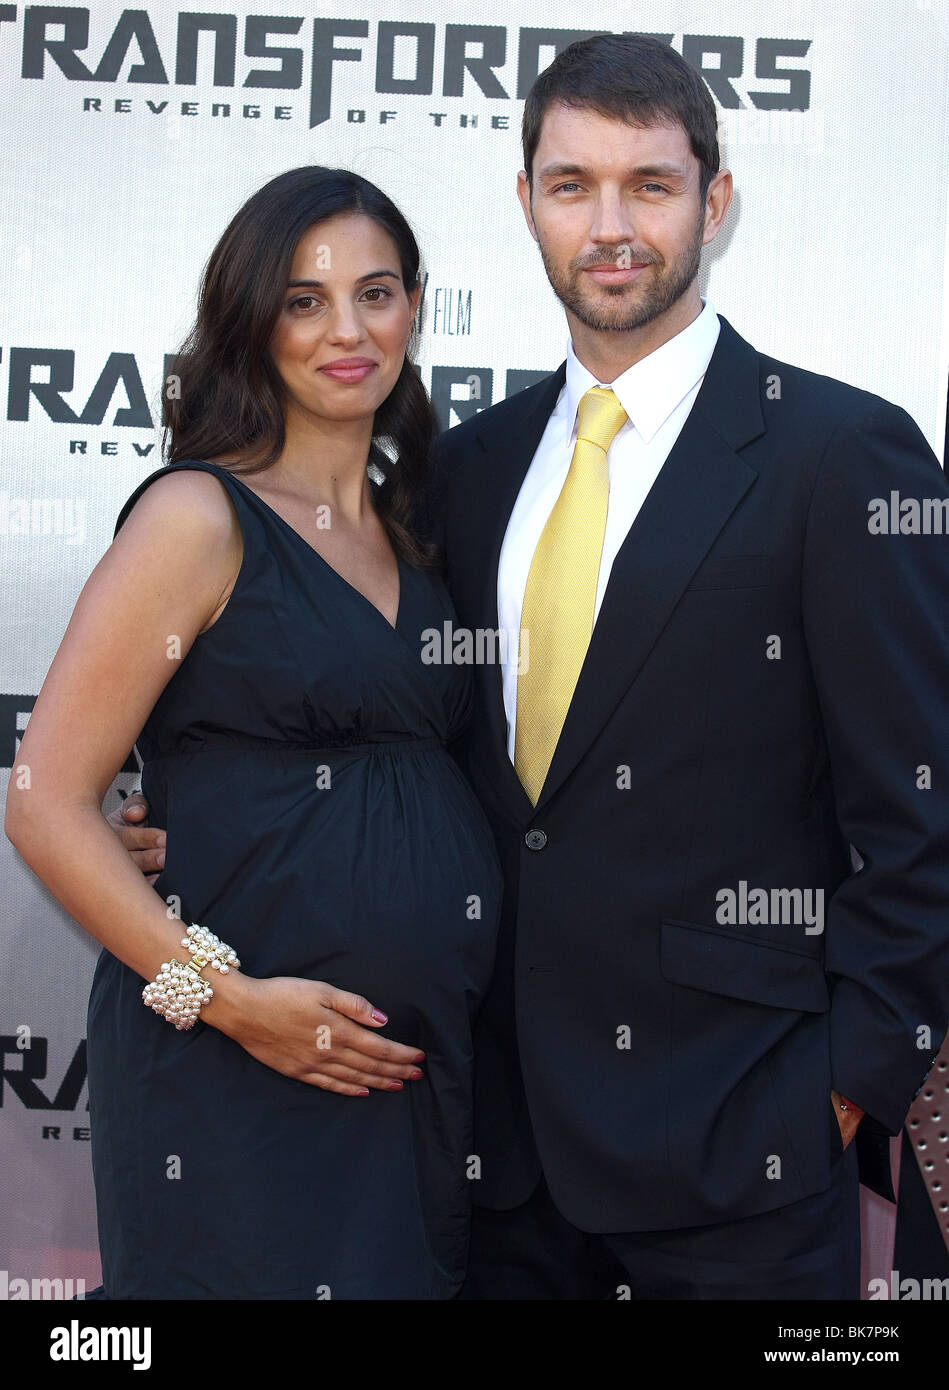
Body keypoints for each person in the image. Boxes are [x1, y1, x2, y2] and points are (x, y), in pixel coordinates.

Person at [112, 36, 949, 1299]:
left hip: (741, 1153)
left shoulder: (842, 455)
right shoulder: (465, 470)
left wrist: (838, 1092)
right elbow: (410, 746)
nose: (609, 226)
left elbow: (918, 814)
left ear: (714, 203)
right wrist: (211, 827)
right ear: (524, 204)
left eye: (648, 185)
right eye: (571, 185)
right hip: (480, 1149)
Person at [5, 166, 502, 1300]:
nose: (347, 329)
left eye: (375, 293)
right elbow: (41, 798)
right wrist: (227, 1003)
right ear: (252, 319)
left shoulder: (420, 532)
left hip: (408, 1072)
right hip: (234, 1074)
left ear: (415, 308)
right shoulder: (196, 517)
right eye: (303, 299)